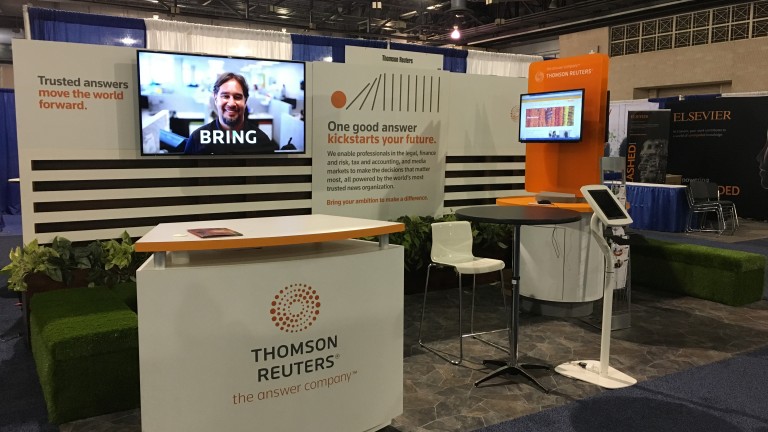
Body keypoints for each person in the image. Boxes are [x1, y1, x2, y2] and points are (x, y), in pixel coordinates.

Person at [184, 72, 277, 155]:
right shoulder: (197, 139)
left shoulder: (261, 141)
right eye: (225, 96)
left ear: (245, 101)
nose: (231, 103)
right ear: (216, 99)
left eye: (237, 97)